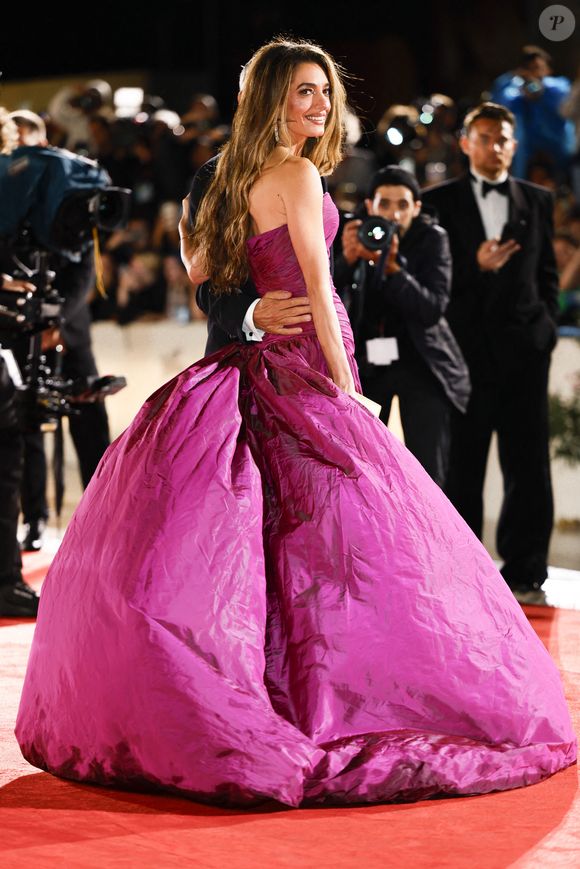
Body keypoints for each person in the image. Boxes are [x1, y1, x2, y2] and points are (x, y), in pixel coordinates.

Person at [16, 39, 575, 808]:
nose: (322, 106)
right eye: (305, 93)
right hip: (305, 364)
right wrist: (346, 393)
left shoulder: (229, 181)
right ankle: (331, 698)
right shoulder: (296, 172)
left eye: (324, 93)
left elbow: (201, 267)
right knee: (351, 548)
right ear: (272, 100)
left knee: (278, 547)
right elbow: (315, 282)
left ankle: (279, 692)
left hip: (256, 368)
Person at [422, 102, 559, 606]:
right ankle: (461, 572)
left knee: (528, 466)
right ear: (465, 143)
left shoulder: (539, 200)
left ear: (514, 144)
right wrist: (473, 265)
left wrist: (544, 331)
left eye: (503, 138)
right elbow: (429, 283)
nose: (494, 147)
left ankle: (527, 572)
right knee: (463, 465)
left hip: (525, 354)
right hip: (466, 356)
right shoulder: (435, 202)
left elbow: (547, 275)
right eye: (484, 137)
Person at [8, 110, 111, 549]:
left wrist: (56, 324)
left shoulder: (71, 199)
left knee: (89, 422)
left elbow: (84, 276)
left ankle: (103, 511)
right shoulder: (9, 206)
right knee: (25, 429)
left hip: (69, 334)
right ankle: (35, 517)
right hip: (20, 329)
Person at [334, 165, 470, 485]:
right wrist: (348, 261)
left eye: (403, 205)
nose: (393, 214)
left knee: (428, 472)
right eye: (384, 204)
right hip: (367, 365)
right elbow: (327, 298)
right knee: (363, 468)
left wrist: (394, 270)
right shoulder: (352, 235)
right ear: (369, 206)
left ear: (417, 208)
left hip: (421, 362)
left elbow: (431, 309)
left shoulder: (432, 240)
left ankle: (431, 535)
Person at [490, 45, 576, 183]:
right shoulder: (513, 92)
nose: (535, 74)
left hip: (560, 155)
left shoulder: (559, 88)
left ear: (548, 70)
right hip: (525, 161)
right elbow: (500, 104)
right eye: (529, 69)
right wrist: (515, 80)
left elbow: (562, 103)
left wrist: (536, 90)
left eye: (538, 68)